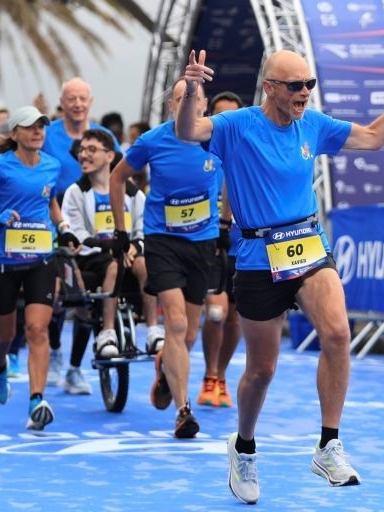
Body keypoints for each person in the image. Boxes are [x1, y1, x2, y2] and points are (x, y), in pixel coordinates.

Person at [176, 48, 384, 503]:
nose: (304, 93)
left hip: (306, 245)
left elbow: (375, 137)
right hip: (258, 257)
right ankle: (243, 446)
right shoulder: (238, 125)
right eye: (294, 85)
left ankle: (329, 444)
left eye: (309, 84)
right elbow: (189, 131)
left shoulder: (314, 125)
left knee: (338, 333)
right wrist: (193, 92)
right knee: (262, 371)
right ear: (270, 88)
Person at [110, 78, 221, 439]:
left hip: (203, 244)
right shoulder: (153, 141)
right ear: (172, 106)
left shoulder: (218, 138)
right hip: (163, 241)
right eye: (180, 99)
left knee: (188, 333)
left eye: (194, 98)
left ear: (203, 105)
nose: (188, 104)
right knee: (174, 325)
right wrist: (121, 231)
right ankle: (183, 410)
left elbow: (239, 177)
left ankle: (165, 368)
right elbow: (117, 177)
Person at [0, 106, 79, 430]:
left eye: (41, 126)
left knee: (37, 329)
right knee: (6, 333)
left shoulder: (51, 166)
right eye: (29, 127)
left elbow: (49, 199)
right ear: (14, 134)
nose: (38, 131)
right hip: (4, 262)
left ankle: (37, 401)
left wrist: (63, 224)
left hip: (41, 259)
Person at [41, 77, 121, 386]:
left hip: (96, 221)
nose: (77, 104)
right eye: (71, 99)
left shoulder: (102, 135)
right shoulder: (48, 135)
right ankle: (55, 352)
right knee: (59, 294)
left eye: (82, 98)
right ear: (62, 102)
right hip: (54, 218)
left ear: (90, 102)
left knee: (90, 298)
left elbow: (120, 176)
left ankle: (75, 368)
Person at [60, 129, 126, 395]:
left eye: (91, 150)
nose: (83, 155)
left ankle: (157, 332)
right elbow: (77, 235)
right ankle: (71, 361)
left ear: (109, 155)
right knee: (82, 311)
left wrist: (134, 246)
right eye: (81, 150)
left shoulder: (129, 191)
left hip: (124, 256)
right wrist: (113, 246)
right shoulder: (75, 192)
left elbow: (143, 225)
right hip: (88, 261)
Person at [197, 91, 244, 408]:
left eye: (232, 115)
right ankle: (209, 375)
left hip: (245, 246)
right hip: (210, 242)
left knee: (236, 318)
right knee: (216, 313)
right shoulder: (199, 151)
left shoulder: (247, 151)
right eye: (219, 115)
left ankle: (222, 377)